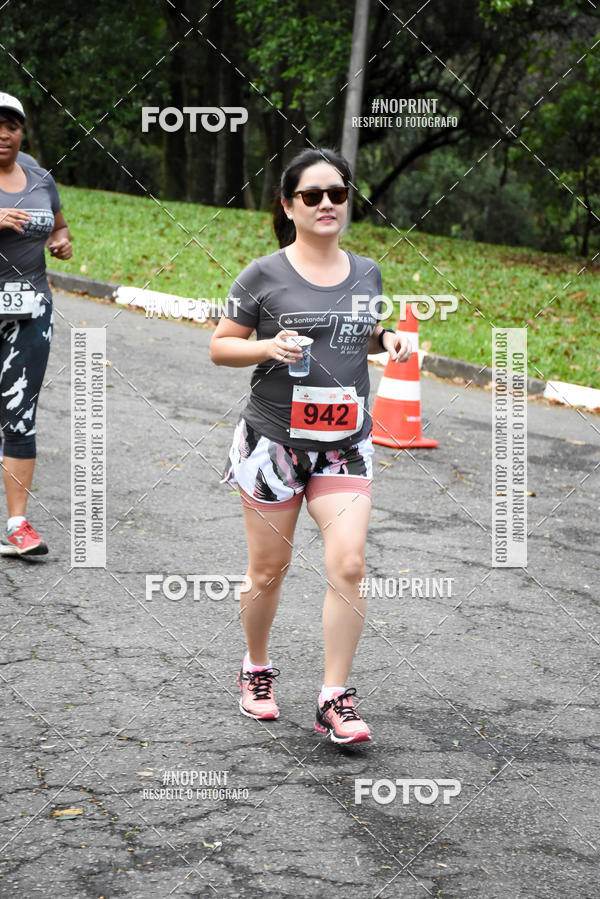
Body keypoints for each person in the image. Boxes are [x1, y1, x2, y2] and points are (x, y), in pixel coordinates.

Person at [210, 147, 411, 744]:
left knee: (349, 564)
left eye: (338, 194)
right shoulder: (262, 274)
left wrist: (389, 340)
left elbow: (359, 333)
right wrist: (267, 347)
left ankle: (334, 697)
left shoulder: (368, 271)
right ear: (289, 205)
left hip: (345, 445)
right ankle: (256, 669)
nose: (327, 204)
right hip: (273, 443)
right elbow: (221, 346)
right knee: (268, 569)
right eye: (313, 195)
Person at [0, 91, 72, 555]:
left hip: (31, 311)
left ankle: (17, 525)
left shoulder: (40, 175)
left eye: (12, 125)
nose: (3, 134)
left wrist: (62, 242)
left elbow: (60, 224)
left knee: (20, 413)